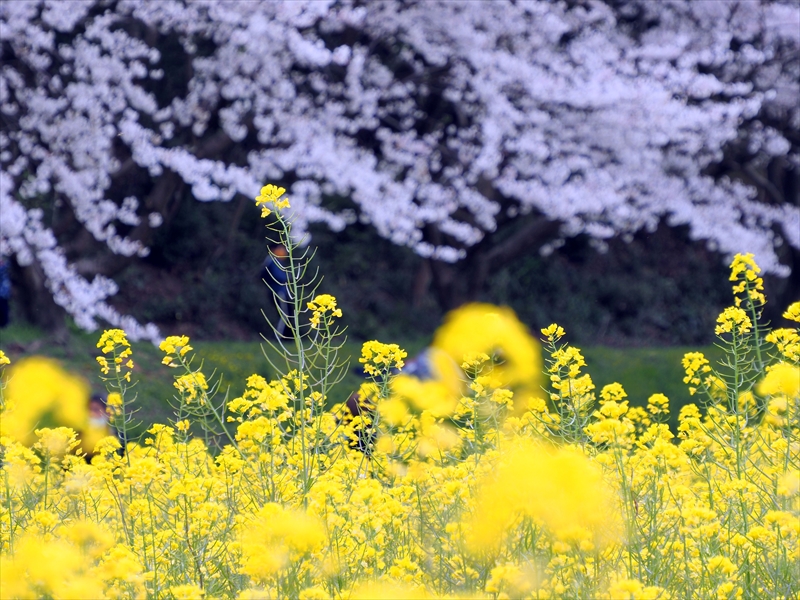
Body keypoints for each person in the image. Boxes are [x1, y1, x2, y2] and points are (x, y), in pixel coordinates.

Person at [261, 243, 293, 338]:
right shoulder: (273, 261)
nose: (285, 252)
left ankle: (285, 337)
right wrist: (290, 276)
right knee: (284, 315)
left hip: (277, 291)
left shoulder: (272, 260)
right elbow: (279, 276)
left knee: (286, 314)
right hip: (278, 292)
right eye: (282, 249)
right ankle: (277, 337)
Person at [0, 256, 10, 328]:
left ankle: (4, 324)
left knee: (4, 308)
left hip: (4, 292)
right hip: (4, 292)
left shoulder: (6, 267)